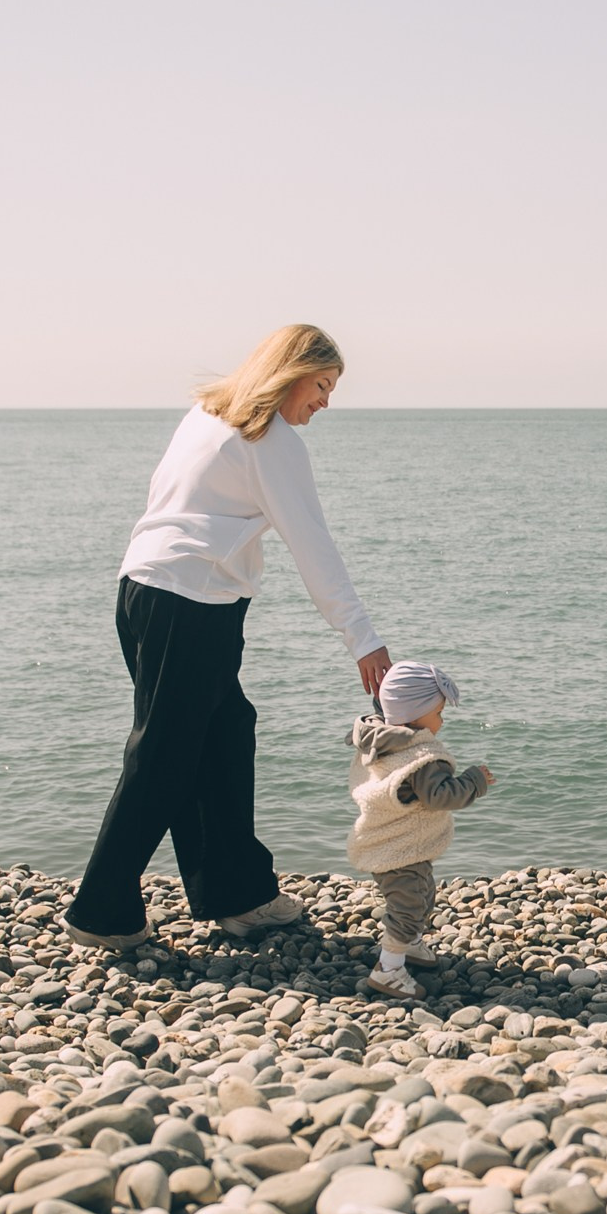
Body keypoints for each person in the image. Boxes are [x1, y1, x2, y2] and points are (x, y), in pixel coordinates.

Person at [65, 324, 393, 951]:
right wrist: (362, 638)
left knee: (222, 733)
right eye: (322, 385)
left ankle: (239, 895)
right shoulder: (272, 440)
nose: (325, 401)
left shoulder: (207, 415)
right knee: (164, 754)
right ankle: (101, 910)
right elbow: (312, 546)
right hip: (188, 602)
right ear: (291, 373)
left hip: (145, 590)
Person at [345, 661, 494, 999]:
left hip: (385, 840)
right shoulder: (421, 758)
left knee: (423, 893)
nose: (441, 720)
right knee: (408, 906)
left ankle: (409, 944)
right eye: (439, 712)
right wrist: (474, 781)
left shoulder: (381, 738)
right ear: (417, 712)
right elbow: (441, 796)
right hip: (398, 847)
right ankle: (389, 969)